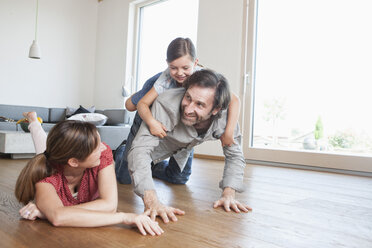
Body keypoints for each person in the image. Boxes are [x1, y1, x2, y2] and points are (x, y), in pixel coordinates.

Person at [127, 69, 252, 224]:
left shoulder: (225, 118)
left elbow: (235, 155)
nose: (188, 109)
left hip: (185, 144)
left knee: (179, 178)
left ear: (216, 109)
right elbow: (140, 150)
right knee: (128, 171)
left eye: (199, 104)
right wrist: (151, 201)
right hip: (154, 133)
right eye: (188, 97)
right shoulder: (165, 103)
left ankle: (150, 167)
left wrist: (228, 194)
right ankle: (123, 152)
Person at [115, 37, 241, 184]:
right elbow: (136, 105)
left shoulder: (205, 80)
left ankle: (150, 164)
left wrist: (228, 132)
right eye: (173, 67)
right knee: (126, 177)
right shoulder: (165, 79)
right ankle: (122, 151)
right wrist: (151, 122)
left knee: (179, 178)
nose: (180, 73)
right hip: (151, 116)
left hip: (184, 124)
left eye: (185, 68)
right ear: (168, 64)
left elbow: (234, 100)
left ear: (195, 63)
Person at [14, 112, 163, 236]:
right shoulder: (46, 176)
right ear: (74, 161)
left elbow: (109, 206)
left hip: (65, 161)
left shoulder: (102, 154)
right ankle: (34, 122)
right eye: (96, 147)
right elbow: (59, 218)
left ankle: (33, 119)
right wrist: (125, 217)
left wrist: (48, 212)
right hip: (55, 165)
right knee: (41, 146)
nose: (104, 148)